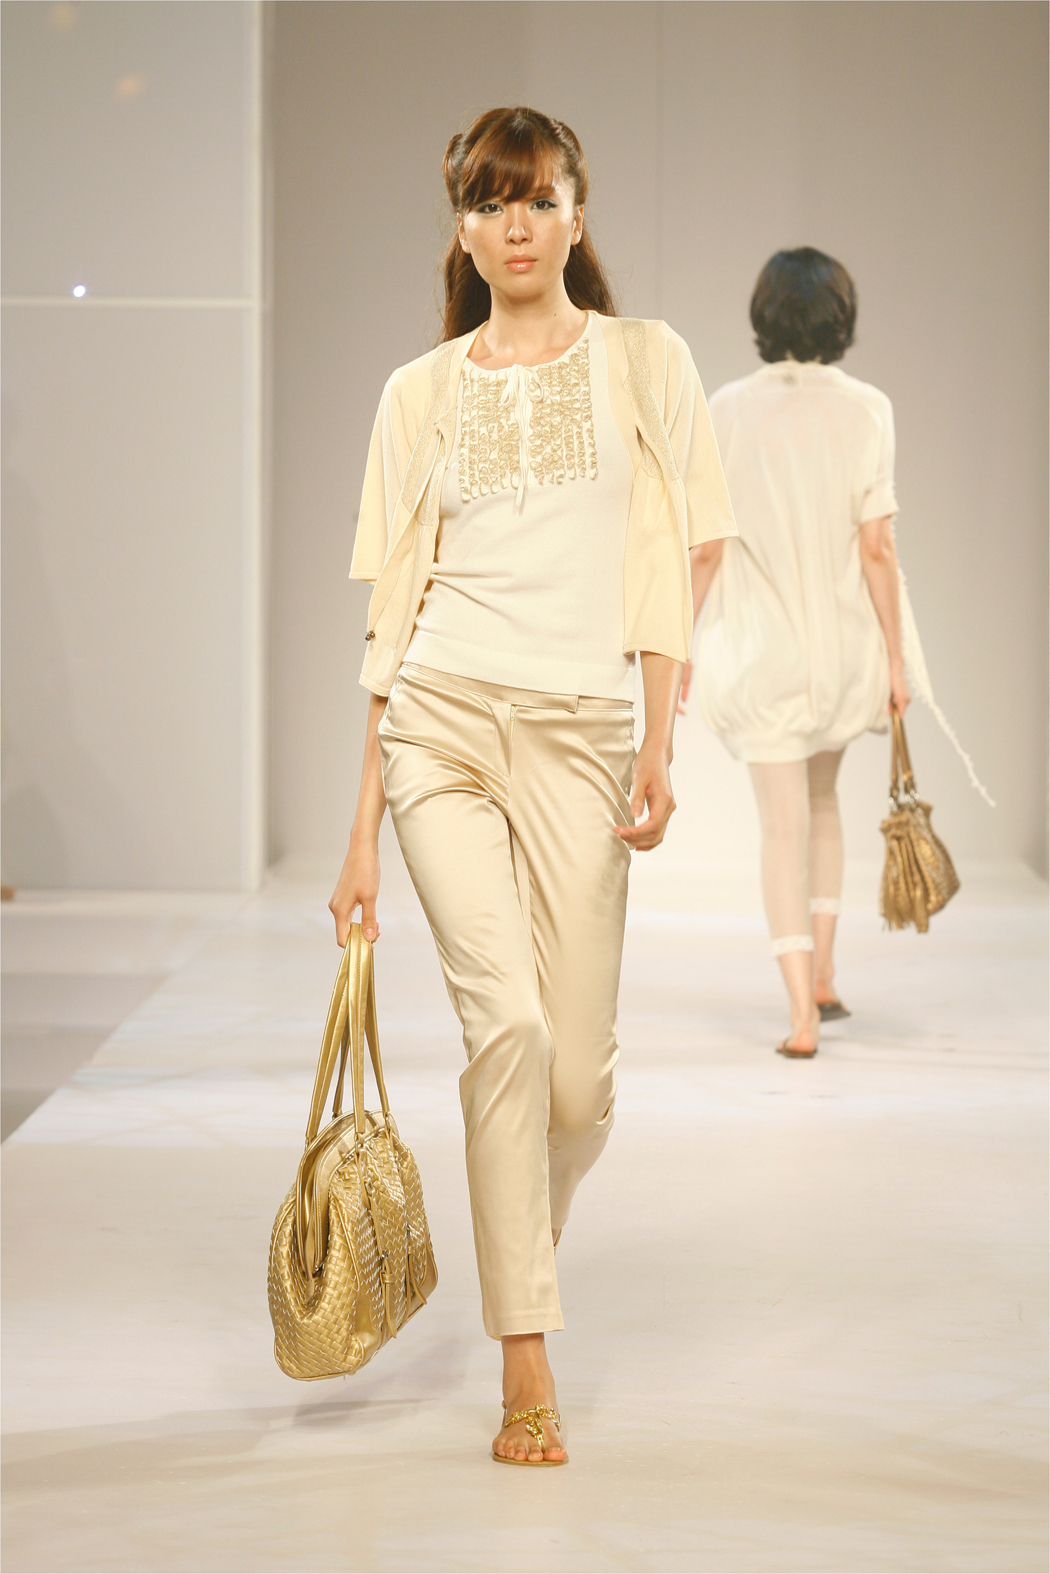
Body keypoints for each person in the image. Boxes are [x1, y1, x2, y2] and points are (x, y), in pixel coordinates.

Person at [329, 107, 736, 1464]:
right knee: (502, 1027)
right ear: (461, 225)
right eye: (492, 203)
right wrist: (360, 833)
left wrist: (659, 740)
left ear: (577, 216)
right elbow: (389, 620)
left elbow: (684, 550)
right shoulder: (416, 393)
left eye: (540, 199)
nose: (517, 225)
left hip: (582, 733)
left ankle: (513, 1237)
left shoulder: (647, 361)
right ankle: (525, 1362)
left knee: (577, 1087)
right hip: (439, 727)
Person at [682, 247, 909, 1059]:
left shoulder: (728, 410)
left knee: (781, 828)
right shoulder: (868, 409)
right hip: (842, 649)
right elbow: (877, 547)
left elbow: (707, 548)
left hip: (762, 654)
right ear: (840, 316)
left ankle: (800, 1016)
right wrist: (896, 660)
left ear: (764, 313)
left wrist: (677, 646)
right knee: (823, 805)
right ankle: (826, 975)